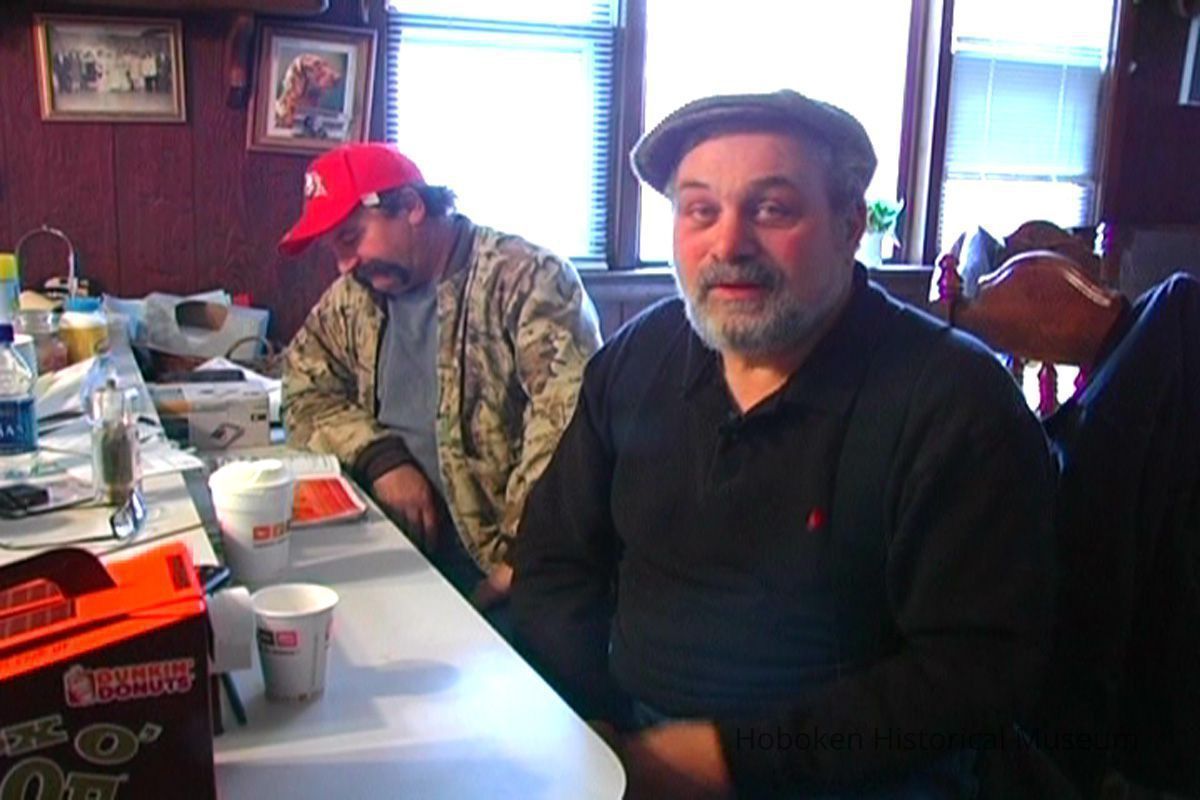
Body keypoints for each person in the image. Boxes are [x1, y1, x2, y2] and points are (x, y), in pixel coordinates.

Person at [511, 90, 1057, 798]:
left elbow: (976, 669)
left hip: (855, 778)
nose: (728, 244)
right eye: (700, 210)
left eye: (772, 210)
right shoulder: (638, 357)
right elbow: (554, 562)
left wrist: (732, 761)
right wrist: (593, 725)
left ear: (849, 226)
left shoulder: (956, 402)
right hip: (625, 741)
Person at [280, 142, 602, 622]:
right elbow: (302, 391)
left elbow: (570, 425)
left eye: (351, 238)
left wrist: (521, 556)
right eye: (335, 249)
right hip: (387, 543)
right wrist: (381, 458)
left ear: (411, 206)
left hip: (509, 566)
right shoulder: (354, 297)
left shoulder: (528, 279)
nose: (344, 264)